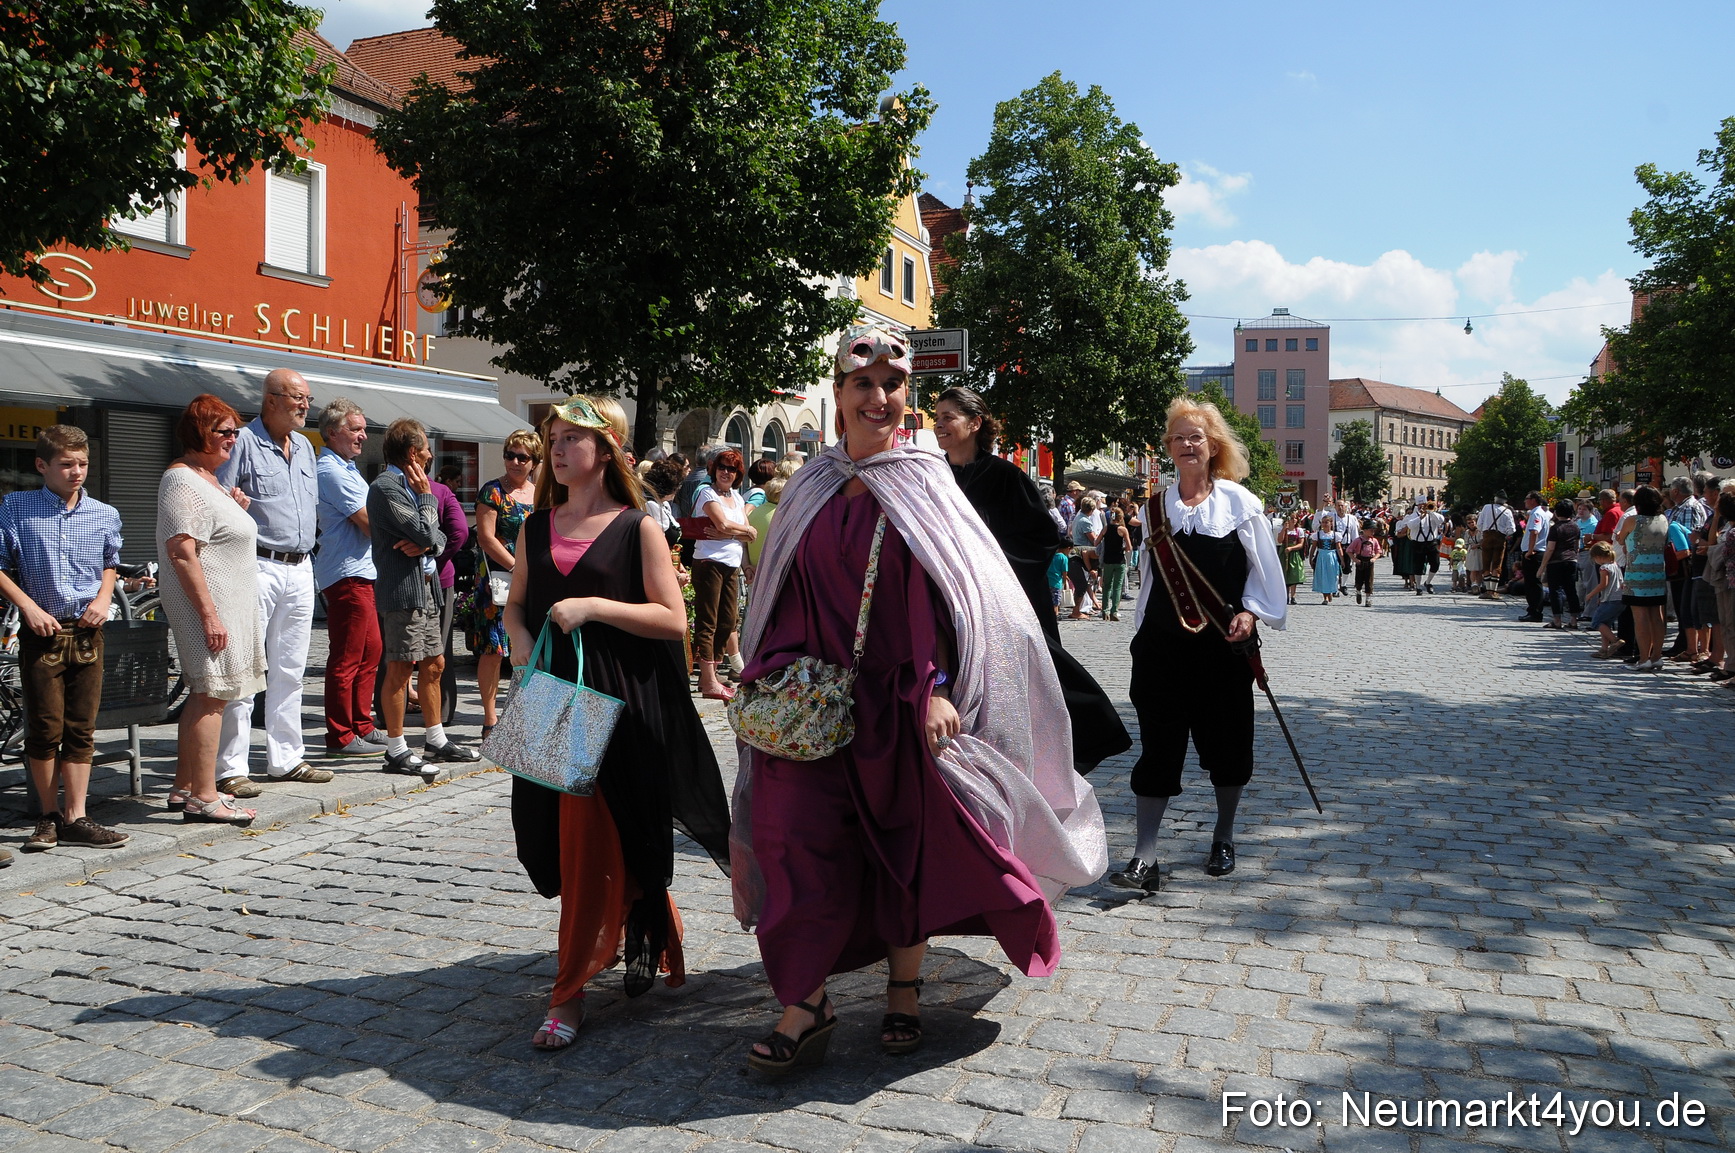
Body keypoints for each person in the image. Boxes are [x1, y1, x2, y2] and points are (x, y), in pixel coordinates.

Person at [732, 324, 1105, 1074]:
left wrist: (936, 686)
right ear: (837, 392)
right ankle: (805, 999)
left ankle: (904, 986)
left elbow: (955, 598)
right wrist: (761, 665)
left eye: (891, 386)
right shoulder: (808, 484)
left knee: (903, 849)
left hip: (898, 700)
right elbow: (777, 591)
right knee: (789, 837)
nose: (878, 399)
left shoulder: (926, 481)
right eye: (861, 385)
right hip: (805, 699)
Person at [502, 395, 731, 1049]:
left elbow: (673, 619)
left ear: (605, 450)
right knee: (554, 843)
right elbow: (517, 603)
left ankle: (567, 992)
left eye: (574, 436)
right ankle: (657, 928)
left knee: (590, 845)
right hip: (551, 703)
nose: (558, 446)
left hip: (620, 705)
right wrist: (517, 636)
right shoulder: (534, 525)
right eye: (554, 436)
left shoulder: (637, 528)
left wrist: (594, 606)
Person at [1111, 396, 1286, 892]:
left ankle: (1224, 836)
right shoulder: (1154, 506)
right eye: (1178, 438)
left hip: (1221, 651)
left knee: (1227, 747)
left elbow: (1263, 574)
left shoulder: (1239, 504)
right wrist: (1139, 637)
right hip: (1161, 652)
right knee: (1157, 749)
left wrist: (1251, 613)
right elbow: (1148, 581)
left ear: (1213, 447)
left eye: (1197, 437)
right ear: (1167, 448)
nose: (1187, 445)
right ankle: (1145, 858)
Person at [932, 384, 1130, 772]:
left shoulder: (1005, 476)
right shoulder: (934, 475)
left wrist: (988, 563)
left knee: (1028, 685)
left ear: (974, 424)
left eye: (947, 417)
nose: (939, 425)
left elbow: (1041, 539)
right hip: (948, 601)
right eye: (937, 418)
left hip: (1003, 601)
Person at [0, 425, 129, 850]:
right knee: (44, 727)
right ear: (42, 465)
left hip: (88, 630)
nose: (77, 472)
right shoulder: (16, 508)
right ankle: (47, 815)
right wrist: (28, 607)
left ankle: (77, 815)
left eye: (83, 464)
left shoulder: (104, 513)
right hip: (44, 629)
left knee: (81, 727)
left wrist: (103, 599)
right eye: (67, 464)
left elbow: (110, 562)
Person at [214, 368, 329, 792]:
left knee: (291, 670)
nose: (305, 406)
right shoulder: (242, 441)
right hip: (257, 563)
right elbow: (219, 500)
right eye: (299, 398)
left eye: (308, 399)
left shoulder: (304, 446)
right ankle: (231, 769)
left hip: (300, 566)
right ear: (271, 400)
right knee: (246, 668)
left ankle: (287, 759)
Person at [157, 395, 266, 825]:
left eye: (235, 431)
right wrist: (209, 615)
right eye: (223, 431)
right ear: (198, 432)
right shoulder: (182, 480)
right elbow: (182, 551)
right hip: (208, 608)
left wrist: (233, 510)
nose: (232, 439)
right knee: (211, 694)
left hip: (228, 606)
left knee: (208, 694)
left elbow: (212, 537)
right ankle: (204, 796)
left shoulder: (207, 480)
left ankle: (184, 787)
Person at [370, 419, 479, 777]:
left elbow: (441, 537)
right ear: (413, 452)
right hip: (402, 592)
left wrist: (429, 540)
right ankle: (397, 749)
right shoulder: (387, 487)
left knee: (435, 664)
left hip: (428, 589)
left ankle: (436, 738)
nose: (432, 455)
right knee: (401, 669)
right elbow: (424, 529)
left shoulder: (413, 486)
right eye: (427, 449)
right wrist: (429, 510)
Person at [313, 399, 387, 758]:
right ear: (332, 432)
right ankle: (340, 734)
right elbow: (370, 522)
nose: (363, 435)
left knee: (370, 650)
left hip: (362, 571)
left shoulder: (348, 468)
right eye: (355, 429)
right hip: (346, 573)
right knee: (347, 655)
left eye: (363, 428)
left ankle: (362, 724)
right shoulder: (331, 470)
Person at [472, 431, 541, 734]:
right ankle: (490, 719)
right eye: (510, 455)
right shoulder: (493, 492)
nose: (514, 461)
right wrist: (516, 567)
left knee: (528, 646)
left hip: (533, 580)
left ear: (534, 461)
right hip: (498, 580)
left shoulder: (540, 494)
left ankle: (520, 713)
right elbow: (486, 537)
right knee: (493, 648)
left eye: (522, 457)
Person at [690, 447, 755, 700]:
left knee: (728, 622)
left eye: (731, 469)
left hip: (732, 563)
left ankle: (714, 675)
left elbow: (746, 532)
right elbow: (724, 524)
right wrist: (737, 531)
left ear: (738, 474)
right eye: (722, 467)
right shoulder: (707, 493)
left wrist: (733, 533)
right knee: (709, 621)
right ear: (714, 470)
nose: (726, 472)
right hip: (709, 562)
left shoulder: (737, 497)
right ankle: (708, 681)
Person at [1617, 485, 1669, 671]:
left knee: (1640, 618)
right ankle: (1657, 656)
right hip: (1657, 573)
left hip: (1637, 573)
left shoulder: (1633, 520)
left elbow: (1621, 538)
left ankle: (1644, 657)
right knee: (1657, 615)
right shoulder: (1663, 519)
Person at [1538, 499, 1582, 629]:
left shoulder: (1555, 528)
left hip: (1556, 561)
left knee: (1555, 591)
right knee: (1571, 590)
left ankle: (1557, 620)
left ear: (1556, 513)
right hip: (1571, 561)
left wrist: (1542, 566)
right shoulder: (1575, 526)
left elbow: (1551, 548)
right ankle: (1574, 620)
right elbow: (1577, 546)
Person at [1584, 542, 1624, 657]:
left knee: (1596, 622)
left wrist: (1591, 594)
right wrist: (1602, 597)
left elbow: (1603, 584)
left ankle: (1615, 641)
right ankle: (1604, 649)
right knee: (1605, 623)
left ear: (1599, 557)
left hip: (1611, 600)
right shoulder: (1616, 565)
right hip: (1619, 599)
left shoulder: (1604, 568)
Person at [1476, 492, 1516, 597]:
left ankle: (1487, 589)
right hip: (1500, 538)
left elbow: (1479, 524)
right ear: (1505, 501)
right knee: (1497, 564)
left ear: (1495, 498)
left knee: (1486, 563)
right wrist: (1504, 534)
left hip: (1487, 537)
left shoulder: (1486, 507)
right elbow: (1512, 529)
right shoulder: (1507, 511)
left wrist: (1485, 531)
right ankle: (1493, 591)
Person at [1411, 501, 1445, 594]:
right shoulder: (1412, 515)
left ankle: (1428, 582)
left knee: (1436, 563)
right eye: (1420, 505)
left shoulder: (1433, 515)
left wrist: (1430, 512)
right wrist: (1420, 517)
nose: (1422, 507)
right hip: (1418, 543)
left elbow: (1441, 520)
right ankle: (1418, 586)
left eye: (1424, 505)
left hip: (1431, 543)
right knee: (1418, 566)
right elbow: (1410, 525)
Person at [1310, 507, 1342, 605]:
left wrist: (1342, 560)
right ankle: (1325, 597)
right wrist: (1311, 557)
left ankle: (1331, 591)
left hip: (1332, 556)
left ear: (1331, 523)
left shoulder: (1335, 535)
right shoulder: (1318, 535)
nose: (1324, 524)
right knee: (1323, 576)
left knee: (1332, 576)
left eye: (1326, 522)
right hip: (1321, 556)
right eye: (1323, 522)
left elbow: (1339, 548)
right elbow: (1314, 547)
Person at [1347, 521, 1383, 606]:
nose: (1373, 532)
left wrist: (1374, 558)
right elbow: (1349, 550)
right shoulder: (1358, 540)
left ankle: (1368, 598)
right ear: (1365, 530)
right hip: (1360, 560)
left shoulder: (1374, 541)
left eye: (1374, 530)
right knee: (1359, 579)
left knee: (1369, 580)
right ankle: (1358, 591)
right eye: (1371, 530)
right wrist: (1355, 559)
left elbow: (1379, 551)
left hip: (1370, 561)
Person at [1278, 511, 1308, 605]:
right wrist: (1284, 529)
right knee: (1285, 573)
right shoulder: (1284, 530)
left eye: (1295, 518)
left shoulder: (1298, 530)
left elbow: (1301, 544)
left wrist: (1291, 548)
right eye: (1291, 518)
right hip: (1284, 553)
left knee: (1293, 574)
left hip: (1294, 553)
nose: (1293, 520)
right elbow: (1279, 540)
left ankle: (1293, 596)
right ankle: (1285, 595)